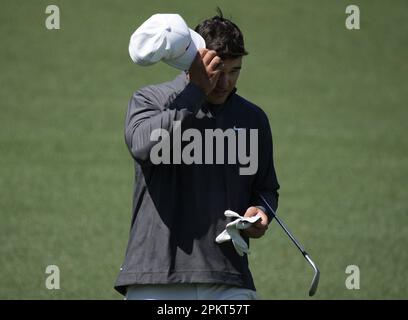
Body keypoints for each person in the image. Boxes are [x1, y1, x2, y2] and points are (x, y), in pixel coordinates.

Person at [114, 10, 280, 300]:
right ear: (196, 62)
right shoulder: (150, 100)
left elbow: (265, 188)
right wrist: (195, 92)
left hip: (228, 278)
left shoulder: (253, 119)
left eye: (234, 70)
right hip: (157, 277)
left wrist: (261, 212)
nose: (225, 82)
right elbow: (143, 146)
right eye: (217, 71)